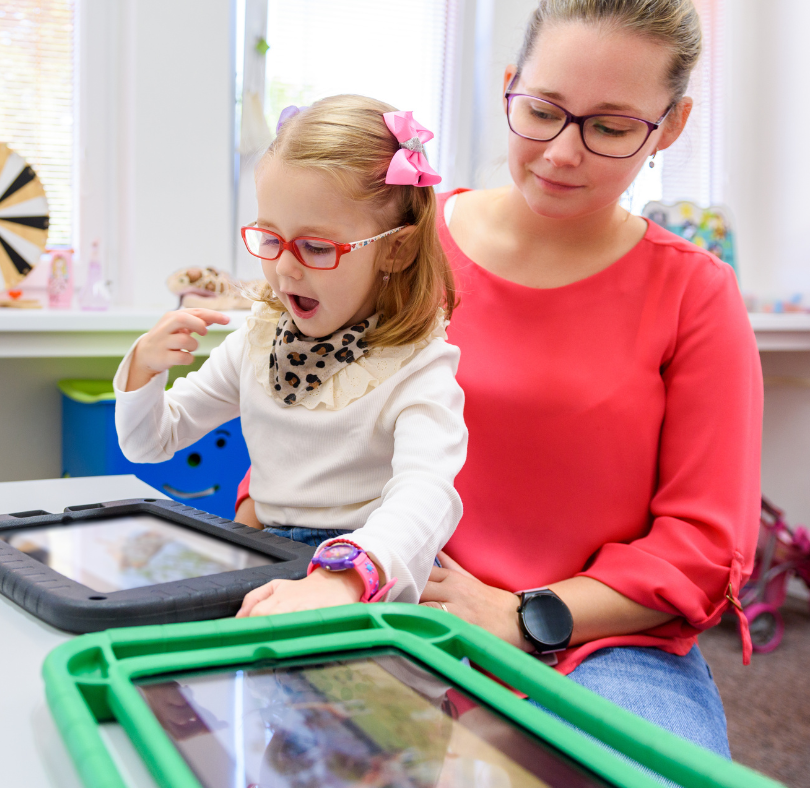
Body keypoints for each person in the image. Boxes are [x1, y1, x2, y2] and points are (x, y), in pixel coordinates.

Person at [234, 0, 761, 760]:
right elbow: (310, 393)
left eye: (610, 127)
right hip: (376, 592)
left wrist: (523, 613)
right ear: (511, 86)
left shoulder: (694, 295)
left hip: (598, 641)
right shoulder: (406, 244)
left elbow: (702, 544)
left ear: (669, 128)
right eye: (543, 111)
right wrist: (265, 525)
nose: (562, 153)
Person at [115, 95, 467, 616]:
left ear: (398, 249)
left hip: (371, 570)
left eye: (317, 248)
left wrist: (346, 577)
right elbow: (150, 442)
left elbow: (426, 496)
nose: (285, 269)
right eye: (269, 239)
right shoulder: (258, 342)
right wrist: (144, 368)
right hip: (268, 556)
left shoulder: (418, 366)